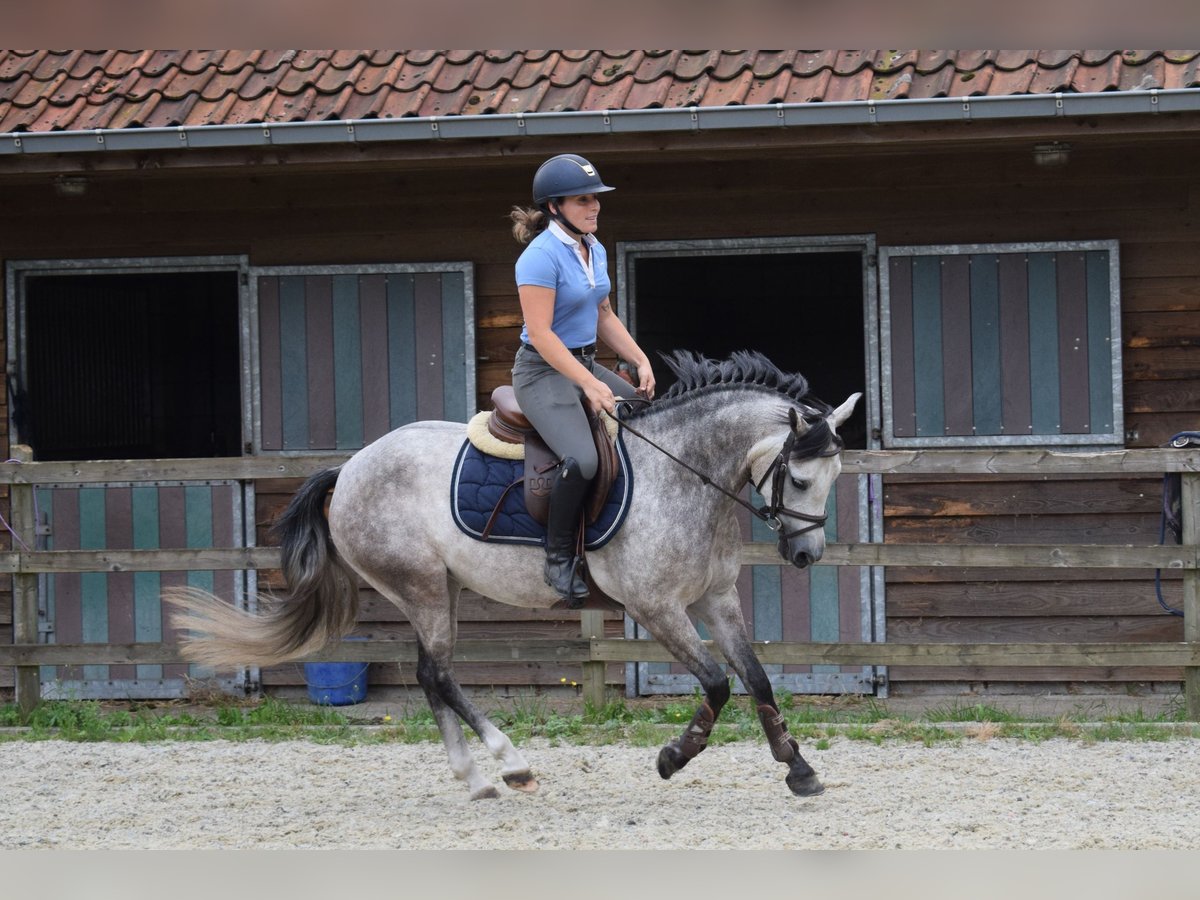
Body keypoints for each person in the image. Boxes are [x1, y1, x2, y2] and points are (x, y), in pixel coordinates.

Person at [510, 153, 656, 607]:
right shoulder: (539, 257)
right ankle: (558, 558)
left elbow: (603, 312)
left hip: (585, 361)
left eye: (596, 199)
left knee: (647, 422)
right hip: (542, 370)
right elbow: (542, 334)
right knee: (584, 460)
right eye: (582, 200)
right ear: (554, 207)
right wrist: (591, 385)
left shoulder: (594, 247)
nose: (594, 207)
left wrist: (638, 358)